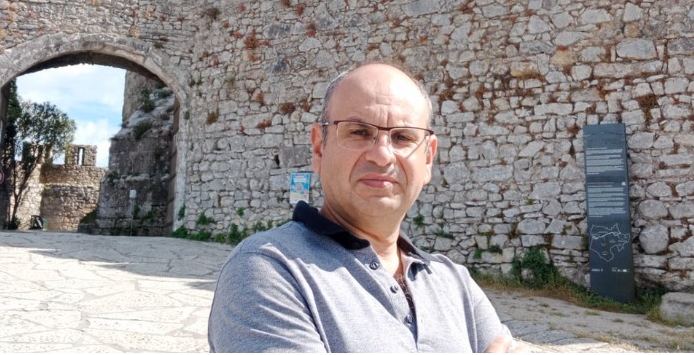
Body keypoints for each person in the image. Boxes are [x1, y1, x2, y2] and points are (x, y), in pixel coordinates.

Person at [207, 62, 522, 352]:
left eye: (402, 137)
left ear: (428, 158)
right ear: (319, 148)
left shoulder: (454, 282)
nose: (382, 155)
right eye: (359, 132)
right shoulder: (268, 270)